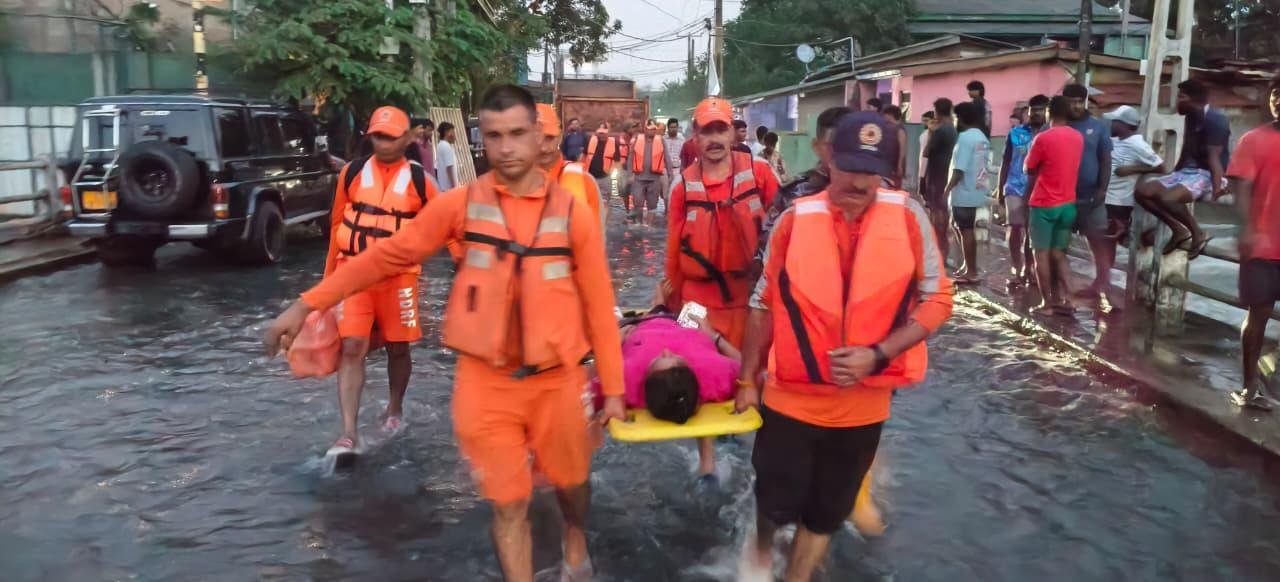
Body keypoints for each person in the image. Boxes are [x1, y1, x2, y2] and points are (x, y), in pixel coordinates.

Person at [266, 85, 625, 582]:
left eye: (518, 134)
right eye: (494, 136)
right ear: (482, 141)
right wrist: (305, 304)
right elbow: (385, 256)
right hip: (486, 385)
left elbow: (599, 308)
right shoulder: (460, 205)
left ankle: (574, 536)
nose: (506, 147)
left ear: (539, 137)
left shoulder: (573, 214)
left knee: (572, 487)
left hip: (557, 382)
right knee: (510, 503)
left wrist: (614, 388)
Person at [736, 111, 953, 581]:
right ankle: (758, 551)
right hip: (790, 398)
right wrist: (746, 379)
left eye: (872, 171)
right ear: (829, 159)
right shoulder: (795, 218)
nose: (860, 181)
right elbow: (762, 302)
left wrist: (878, 354)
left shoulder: (908, 216)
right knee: (774, 500)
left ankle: (795, 576)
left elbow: (938, 299)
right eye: (850, 167)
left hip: (864, 404)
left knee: (828, 512)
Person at [319, 106, 436, 455]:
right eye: (378, 135)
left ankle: (395, 407)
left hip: (400, 281)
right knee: (352, 346)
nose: (384, 142)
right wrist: (327, 286)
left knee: (399, 348)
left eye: (391, 135)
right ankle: (348, 433)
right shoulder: (351, 174)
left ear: (406, 138)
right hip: (353, 274)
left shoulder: (421, 181)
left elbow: (444, 227)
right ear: (369, 136)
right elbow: (337, 226)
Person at [665, 97, 780, 348]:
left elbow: (785, 237)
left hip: (750, 301)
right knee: (696, 377)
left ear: (732, 133)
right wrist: (672, 309)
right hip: (693, 305)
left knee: (748, 378)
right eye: (706, 131)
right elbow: (673, 256)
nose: (714, 139)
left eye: (721, 129)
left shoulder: (760, 172)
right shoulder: (681, 187)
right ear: (695, 136)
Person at [595, 309, 741, 481]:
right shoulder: (714, 372)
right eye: (677, 359)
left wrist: (611, 348)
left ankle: (658, 300)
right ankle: (707, 461)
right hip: (676, 322)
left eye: (657, 361)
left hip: (644, 323)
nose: (666, 351)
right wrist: (715, 337)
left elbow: (584, 385)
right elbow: (748, 370)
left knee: (613, 318)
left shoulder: (624, 380)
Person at [1227, 74, 1280, 411]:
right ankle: (1249, 386)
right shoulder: (1253, 140)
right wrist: (1246, 229)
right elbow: (1240, 188)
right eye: (1277, 94)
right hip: (1262, 246)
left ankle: (1267, 371)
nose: (1279, 100)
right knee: (1258, 313)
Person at [1136, 79, 1232, 259]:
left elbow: (1214, 158)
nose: (1177, 101)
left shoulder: (1216, 119)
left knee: (1167, 198)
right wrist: (1174, 174)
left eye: (1181, 97)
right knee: (1143, 192)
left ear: (1194, 99)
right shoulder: (1191, 115)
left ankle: (1198, 233)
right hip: (1187, 172)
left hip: (1207, 173)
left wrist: (1217, 187)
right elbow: (1188, 147)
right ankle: (1178, 229)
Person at [1025, 96, 1085, 316]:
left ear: (1050, 113)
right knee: (1059, 254)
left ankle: (1047, 304)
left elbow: (1028, 168)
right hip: (1068, 204)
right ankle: (1069, 300)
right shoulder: (1078, 137)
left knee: (1040, 254)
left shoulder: (1043, 138)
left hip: (1044, 204)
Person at [1102, 105, 1164, 306]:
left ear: (1123, 125)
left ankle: (1107, 287)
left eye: (1114, 121)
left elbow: (1162, 167)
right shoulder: (1115, 140)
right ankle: (1103, 283)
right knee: (1101, 244)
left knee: (1106, 245)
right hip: (1105, 199)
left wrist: (1132, 169)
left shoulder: (1138, 145)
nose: (1111, 124)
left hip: (1118, 202)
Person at [1062, 83, 1115, 302]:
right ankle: (1064, 287)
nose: (1075, 106)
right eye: (1071, 101)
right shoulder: (1057, 125)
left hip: (1091, 196)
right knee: (1059, 243)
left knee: (1096, 240)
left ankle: (1102, 284)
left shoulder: (1099, 127)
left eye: (1078, 101)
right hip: (1061, 197)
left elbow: (1106, 159)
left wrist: (1103, 189)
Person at [766, 106, 853, 236]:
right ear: (816, 146)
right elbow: (768, 245)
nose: (842, 152)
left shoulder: (876, 190)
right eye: (834, 145)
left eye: (850, 144)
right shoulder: (793, 193)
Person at [999, 94, 1049, 289]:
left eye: (1039, 109)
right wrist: (999, 187)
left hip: (1038, 187)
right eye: (1032, 109)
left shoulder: (1049, 134)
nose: (1035, 113)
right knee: (1015, 226)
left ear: (1046, 111)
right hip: (1014, 186)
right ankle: (1016, 267)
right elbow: (1006, 160)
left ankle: (1030, 268)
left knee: (1031, 230)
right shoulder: (1016, 133)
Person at [946, 102, 992, 284]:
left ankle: (971, 271)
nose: (955, 121)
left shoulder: (965, 138)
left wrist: (946, 189)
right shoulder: (982, 137)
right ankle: (967, 266)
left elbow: (959, 169)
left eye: (956, 117)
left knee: (965, 230)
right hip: (976, 190)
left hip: (963, 191)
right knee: (961, 228)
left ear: (963, 118)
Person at [535, 103, 602, 227]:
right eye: (535, 138)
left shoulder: (585, 182)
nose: (543, 148)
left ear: (559, 137)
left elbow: (594, 237)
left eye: (549, 138)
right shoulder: (506, 181)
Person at [923, 98, 959, 263]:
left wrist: (930, 132)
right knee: (943, 212)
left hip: (937, 175)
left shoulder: (940, 130)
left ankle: (939, 253)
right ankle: (943, 253)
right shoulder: (953, 129)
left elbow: (926, 152)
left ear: (937, 111)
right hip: (947, 174)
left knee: (938, 215)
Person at [627, 119, 666, 224]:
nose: (652, 131)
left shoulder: (661, 140)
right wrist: (630, 175)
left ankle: (649, 227)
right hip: (639, 178)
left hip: (655, 179)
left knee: (653, 205)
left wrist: (670, 175)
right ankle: (639, 224)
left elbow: (667, 158)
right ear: (645, 129)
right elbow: (630, 158)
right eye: (650, 129)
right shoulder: (636, 140)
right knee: (637, 203)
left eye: (654, 129)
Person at [586, 121, 619, 225]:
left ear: (608, 132)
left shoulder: (614, 143)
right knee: (590, 201)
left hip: (605, 177)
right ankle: (592, 223)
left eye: (604, 132)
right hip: (591, 177)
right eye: (600, 132)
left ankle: (603, 224)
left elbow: (617, 161)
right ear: (597, 132)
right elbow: (583, 157)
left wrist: (613, 175)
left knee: (605, 202)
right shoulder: (590, 141)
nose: (602, 135)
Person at [882, 105, 909, 188]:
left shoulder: (900, 129)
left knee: (894, 187)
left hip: (895, 166)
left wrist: (899, 165)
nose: (883, 117)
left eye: (884, 115)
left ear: (890, 115)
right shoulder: (888, 127)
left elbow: (902, 149)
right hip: (887, 165)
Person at [663, 118, 686, 203]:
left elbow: (684, 155)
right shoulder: (663, 139)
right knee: (665, 192)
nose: (674, 129)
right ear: (668, 128)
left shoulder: (682, 139)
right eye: (671, 127)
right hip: (664, 169)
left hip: (677, 169)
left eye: (675, 127)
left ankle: (672, 210)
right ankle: (666, 210)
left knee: (676, 190)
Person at [435, 121, 460, 190]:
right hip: (449, 188)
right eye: (453, 132)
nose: (455, 135)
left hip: (443, 187)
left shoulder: (440, 145)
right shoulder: (446, 147)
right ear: (446, 132)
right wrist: (454, 186)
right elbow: (449, 167)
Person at [917, 110, 936, 197]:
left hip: (928, 164)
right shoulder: (925, 133)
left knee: (926, 191)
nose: (924, 123)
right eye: (923, 120)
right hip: (922, 162)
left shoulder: (934, 134)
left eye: (926, 120)